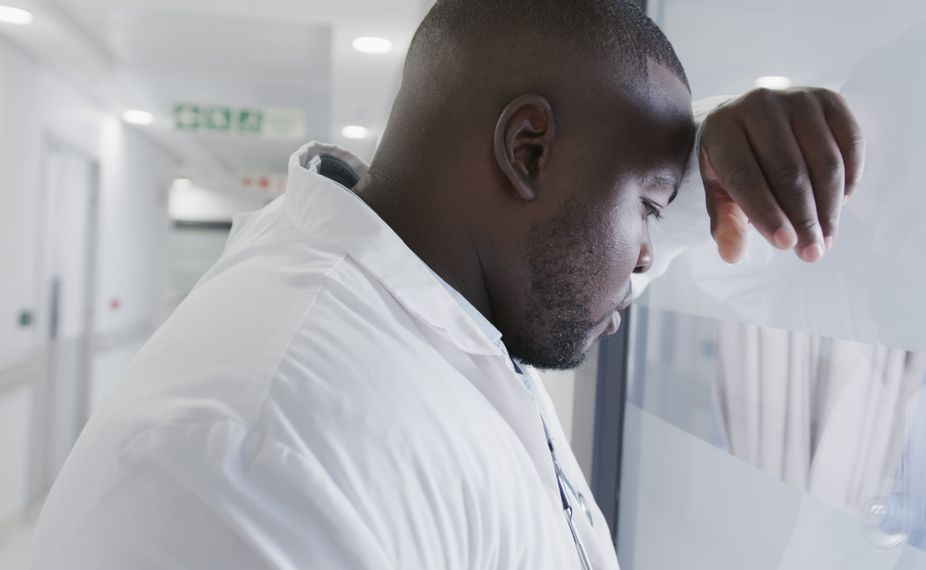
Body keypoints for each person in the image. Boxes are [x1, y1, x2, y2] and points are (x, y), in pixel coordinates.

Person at [32, 1, 862, 568]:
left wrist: (700, 164)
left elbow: (590, 235)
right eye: (650, 207)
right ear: (528, 151)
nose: (649, 255)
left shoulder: (429, 302)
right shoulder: (260, 454)